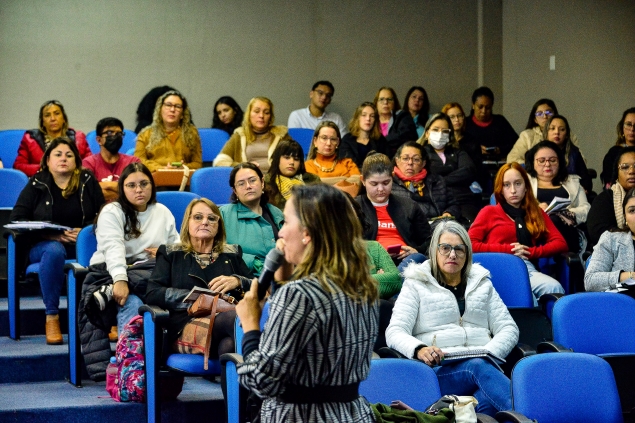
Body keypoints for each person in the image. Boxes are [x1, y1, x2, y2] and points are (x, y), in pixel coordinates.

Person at [236, 184, 379, 423]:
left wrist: (250, 325)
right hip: (352, 415)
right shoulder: (364, 287)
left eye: (286, 222)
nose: (280, 233)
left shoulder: (300, 295)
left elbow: (261, 381)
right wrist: (284, 279)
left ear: (307, 233)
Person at [386, 220, 519, 417]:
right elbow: (395, 331)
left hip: (484, 368)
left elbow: (509, 328)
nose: (452, 254)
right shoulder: (416, 283)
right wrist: (419, 349)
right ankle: (533, 416)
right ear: (434, 251)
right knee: (479, 369)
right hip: (440, 370)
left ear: (467, 254)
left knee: (483, 402)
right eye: (445, 248)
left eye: (459, 249)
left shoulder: (482, 283)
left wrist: (488, 353)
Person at [10, 138, 105, 344]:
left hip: (82, 246)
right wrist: (49, 234)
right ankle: (51, 317)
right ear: (47, 160)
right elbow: (17, 219)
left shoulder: (87, 180)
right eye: (58, 154)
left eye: (69, 155)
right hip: (43, 246)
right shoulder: (37, 182)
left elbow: (105, 215)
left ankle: (105, 316)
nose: (64, 158)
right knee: (54, 250)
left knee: (106, 249)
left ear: (76, 161)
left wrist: (86, 231)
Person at [146, 198, 253, 359]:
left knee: (229, 345)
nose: (205, 222)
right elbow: (153, 293)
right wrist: (195, 299)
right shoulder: (171, 253)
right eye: (198, 217)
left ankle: (238, 383)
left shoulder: (231, 254)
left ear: (218, 226)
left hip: (223, 323)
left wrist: (238, 281)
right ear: (187, 223)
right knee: (234, 319)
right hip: (184, 324)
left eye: (211, 218)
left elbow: (258, 287)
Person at [86, 162, 179, 333]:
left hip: (149, 274)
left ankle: (159, 355)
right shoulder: (112, 211)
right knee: (133, 303)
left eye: (144, 184)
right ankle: (128, 358)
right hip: (110, 272)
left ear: (152, 185)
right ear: (122, 188)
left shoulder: (162, 212)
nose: (138, 190)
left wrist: (162, 253)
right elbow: (114, 248)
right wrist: (120, 280)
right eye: (131, 185)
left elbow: (177, 248)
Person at [468, 163, 568, 300]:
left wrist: (532, 252)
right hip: (495, 267)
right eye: (507, 185)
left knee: (553, 287)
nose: (513, 190)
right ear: (500, 189)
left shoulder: (536, 212)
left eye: (518, 183)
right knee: (527, 297)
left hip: (525, 267)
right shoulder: (489, 212)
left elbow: (560, 243)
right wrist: (508, 249)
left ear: (526, 186)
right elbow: (470, 244)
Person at [356, 153, 431, 268]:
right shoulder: (353, 207)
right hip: (370, 262)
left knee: (418, 258)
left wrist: (416, 250)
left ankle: (392, 279)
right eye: (374, 184)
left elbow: (429, 240)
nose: (380, 189)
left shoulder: (409, 206)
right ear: (363, 180)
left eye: (386, 183)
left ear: (392, 177)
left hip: (406, 261)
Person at [525, 141, 590, 253]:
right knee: (550, 220)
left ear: (560, 162)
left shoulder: (573, 182)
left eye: (553, 160)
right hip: (535, 229)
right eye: (541, 161)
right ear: (533, 162)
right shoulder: (524, 182)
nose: (547, 164)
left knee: (555, 219)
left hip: (567, 229)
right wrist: (537, 209)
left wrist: (563, 214)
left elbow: (586, 208)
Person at [220, 163, 283, 276]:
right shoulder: (223, 215)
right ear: (235, 190)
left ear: (262, 183)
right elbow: (216, 250)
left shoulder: (277, 213)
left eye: (252, 180)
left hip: (282, 277)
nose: (248, 186)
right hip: (245, 279)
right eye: (241, 184)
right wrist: (255, 263)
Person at [418, 113, 480, 222]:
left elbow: (469, 171)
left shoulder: (458, 151)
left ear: (449, 134)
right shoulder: (420, 154)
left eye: (445, 131)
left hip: (462, 199)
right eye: (436, 130)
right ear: (427, 133)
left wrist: (439, 180)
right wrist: (454, 178)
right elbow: (425, 177)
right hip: (435, 201)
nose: (440, 134)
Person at [14, 100, 92, 177]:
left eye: (57, 114)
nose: (53, 118)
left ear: (64, 119)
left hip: (74, 181)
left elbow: (90, 164)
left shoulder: (79, 138)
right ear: (43, 122)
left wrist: (73, 168)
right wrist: (45, 168)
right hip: (43, 182)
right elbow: (18, 166)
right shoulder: (30, 139)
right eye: (47, 115)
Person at [214, 97, 291, 172]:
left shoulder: (281, 135)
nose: (261, 116)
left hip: (277, 180)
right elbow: (219, 162)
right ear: (249, 114)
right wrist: (243, 166)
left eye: (266, 112)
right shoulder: (240, 135)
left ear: (270, 117)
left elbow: (296, 160)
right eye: (257, 111)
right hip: (248, 180)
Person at [134, 90, 202, 172]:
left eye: (177, 106)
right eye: (168, 105)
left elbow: (197, 163)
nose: (172, 109)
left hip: (184, 179)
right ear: (160, 110)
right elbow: (138, 161)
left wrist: (184, 167)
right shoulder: (145, 134)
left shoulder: (192, 133)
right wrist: (160, 169)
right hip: (156, 180)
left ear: (183, 114)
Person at [391, 142, 460, 220]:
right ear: (397, 161)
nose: (410, 163)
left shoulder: (437, 181)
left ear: (423, 163)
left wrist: (448, 213)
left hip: (436, 225)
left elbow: (453, 205)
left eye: (416, 159)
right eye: (405, 158)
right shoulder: (389, 182)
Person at [585, 187, 635, 292]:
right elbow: (590, 281)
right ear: (625, 217)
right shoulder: (611, 239)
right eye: (632, 211)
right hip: (623, 303)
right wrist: (627, 276)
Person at [506, 99, 583, 165]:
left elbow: (581, 161)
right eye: (539, 114)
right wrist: (537, 165)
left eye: (548, 113)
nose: (545, 116)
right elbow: (512, 160)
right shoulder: (527, 136)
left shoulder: (567, 134)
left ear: (555, 115)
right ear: (535, 119)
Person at [82, 117, 140, 202]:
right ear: (99, 140)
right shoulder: (88, 163)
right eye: (110, 133)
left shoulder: (133, 162)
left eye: (119, 133)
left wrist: (103, 186)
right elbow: (87, 192)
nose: (115, 136)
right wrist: (123, 190)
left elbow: (137, 189)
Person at [588, 146, 635, 247]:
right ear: (617, 173)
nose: (631, 171)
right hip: (612, 255)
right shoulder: (604, 199)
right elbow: (597, 233)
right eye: (625, 167)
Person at [305, 121, 361, 196]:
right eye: (324, 138)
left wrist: (324, 181)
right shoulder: (308, 165)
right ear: (315, 141)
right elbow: (314, 186)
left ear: (337, 142)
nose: (328, 143)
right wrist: (344, 180)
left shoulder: (347, 163)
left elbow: (358, 181)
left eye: (333, 139)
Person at [464, 86, 517, 161]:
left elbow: (516, 144)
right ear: (473, 105)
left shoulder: (500, 121)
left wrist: (499, 150)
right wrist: (475, 149)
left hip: (497, 163)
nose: (484, 111)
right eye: (480, 107)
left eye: (488, 107)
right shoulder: (466, 123)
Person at [264, 139, 320, 210]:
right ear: (277, 159)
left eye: (296, 159)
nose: (292, 162)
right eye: (287, 158)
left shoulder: (313, 180)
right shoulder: (266, 182)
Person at [542, 115, 592, 192]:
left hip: (570, 194)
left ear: (567, 134)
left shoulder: (574, 153)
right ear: (546, 132)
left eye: (562, 129)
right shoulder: (536, 153)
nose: (557, 132)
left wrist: (583, 189)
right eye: (552, 128)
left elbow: (586, 181)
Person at [339, 102, 387, 169]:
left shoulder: (380, 139)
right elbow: (349, 165)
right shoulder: (347, 140)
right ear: (357, 118)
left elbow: (387, 163)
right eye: (364, 115)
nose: (368, 119)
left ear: (375, 120)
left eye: (372, 116)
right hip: (353, 176)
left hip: (378, 177)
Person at [374, 87, 418, 158]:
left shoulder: (403, 116)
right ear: (376, 103)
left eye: (389, 99)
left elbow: (404, 137)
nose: (385, 102)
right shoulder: (372, 120)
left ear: (394, 103)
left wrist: (379, 143)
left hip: (399, 158)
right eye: (382, 99)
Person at [601, 107, 635, 188]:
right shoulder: (614, 152)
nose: (632, 129)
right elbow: (608, 179)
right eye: (628, 124)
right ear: (622, 127)